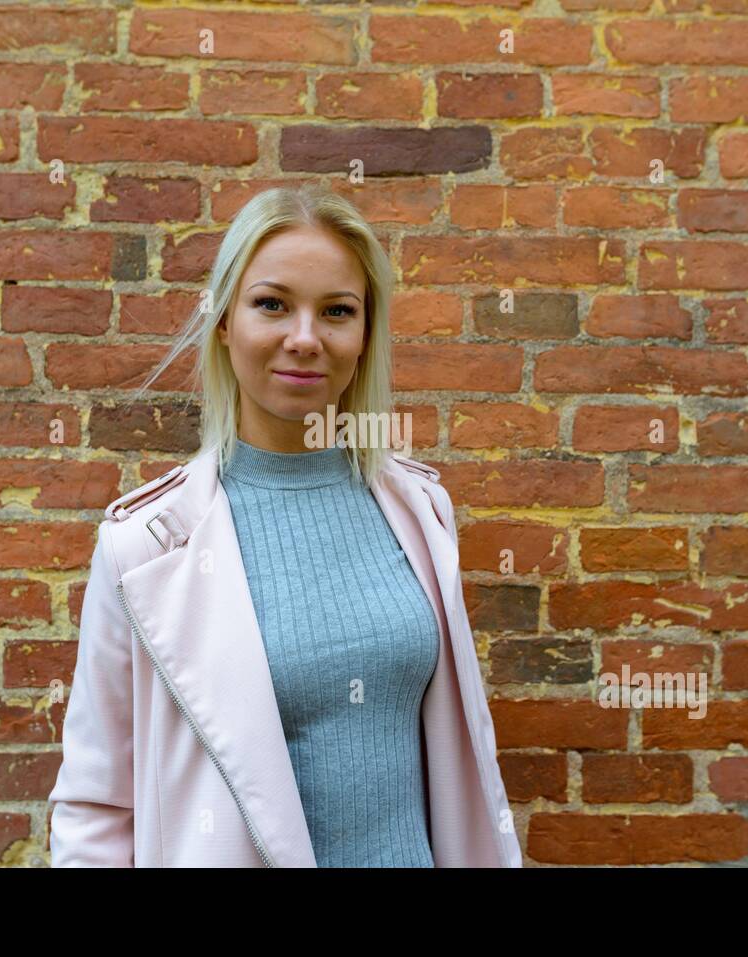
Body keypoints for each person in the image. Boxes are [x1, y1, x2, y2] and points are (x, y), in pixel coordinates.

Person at [47, 184, 522, 867]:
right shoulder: (145, 546)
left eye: (336, 311)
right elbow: (96, 806)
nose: (304, 338)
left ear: (364, 336)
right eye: (272, 304)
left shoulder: (420, 510)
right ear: (222, 320)